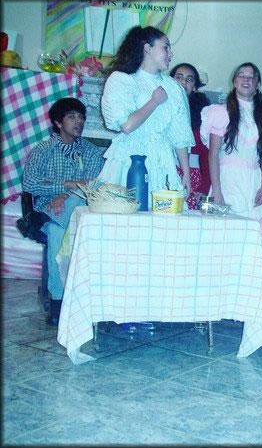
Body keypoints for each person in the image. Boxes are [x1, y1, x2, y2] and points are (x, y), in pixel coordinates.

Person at [22, 97, 104, 325]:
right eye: (72, 117)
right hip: (50, 210)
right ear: (58, 123)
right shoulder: (43, 150)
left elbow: (93, 184)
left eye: (81, 117)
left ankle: (61, 302)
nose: (79, 122)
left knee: (86, 194)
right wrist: (67, 185)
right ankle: (59, 300)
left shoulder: (90, 151)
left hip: (80, 210)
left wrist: (66, 195)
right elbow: (30, 184)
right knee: (57, 232)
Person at [98, 26, 194, 208]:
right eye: (165, 47)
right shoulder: (122, 80)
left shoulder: (173, 87)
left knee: (162, 215)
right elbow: (126, 125)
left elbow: (180, 135)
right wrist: (154, 102)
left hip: (162, 159)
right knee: (123, 212)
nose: (171, 54)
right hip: (130, 159)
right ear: (148, 48)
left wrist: (186, 174)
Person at [201, 62, 262, 264]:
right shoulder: (220, 112)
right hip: (227, 180)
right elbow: (213, 154)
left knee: (254, 241)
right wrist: (217, 191)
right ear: (234, 81)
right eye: (241, 75)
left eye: (251, 76)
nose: (246, 79)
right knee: (223, 239)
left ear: (258, 84)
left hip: (254, 182)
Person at [170, 62, 211, 209]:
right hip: (164, 170)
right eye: (179, 77)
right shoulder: (160, 105)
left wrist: (204, 186)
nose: (183, 82)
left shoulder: (203, 114)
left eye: (189, 79)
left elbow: (207, 155)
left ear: (194, 87)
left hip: (192, 176)